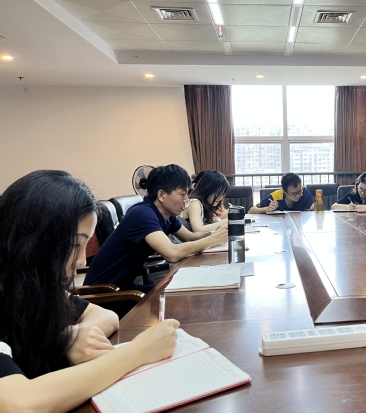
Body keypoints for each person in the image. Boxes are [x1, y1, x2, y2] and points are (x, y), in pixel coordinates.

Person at [0, 170, 179, 412]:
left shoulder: (35, 286)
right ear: (32, 240)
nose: (82, 261)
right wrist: (137, 353)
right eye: (74, 244)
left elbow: (106, 315)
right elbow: (17, 404)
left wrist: (69, 337)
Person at [84, 164, 228, 292]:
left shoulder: (167, 215)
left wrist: (217, 233)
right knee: (182, 298)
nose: (186, 200)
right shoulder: (142, 213)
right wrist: (214, 239)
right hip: (105, 294)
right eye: (182, 194)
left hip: (125, 287)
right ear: (161, 195)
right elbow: (171, 253)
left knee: (189, 291)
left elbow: (189, 237)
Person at [248, 172, 314, 213]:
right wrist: (267, 209)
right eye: (293, 194)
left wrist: (315, 206)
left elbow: (312, 206)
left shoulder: (303, 191)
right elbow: (251, 211)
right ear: (284, 191)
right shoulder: (276, 196)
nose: (298, 195)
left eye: (299, 191)